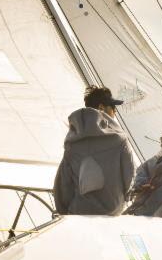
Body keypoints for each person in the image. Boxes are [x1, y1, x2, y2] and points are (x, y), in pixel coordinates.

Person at [54, 86, 135, 215]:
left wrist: (64, 211)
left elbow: (64, 184)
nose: (115, 111)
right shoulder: (119, 139)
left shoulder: (72, 142)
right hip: (111, 210)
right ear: (102, 108)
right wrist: (127, 197)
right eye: (113, 107)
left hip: (79, 210)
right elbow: (129, 176)